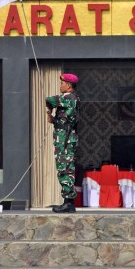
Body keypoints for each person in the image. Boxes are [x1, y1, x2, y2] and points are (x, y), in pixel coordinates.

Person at [46, 73, 80, 213]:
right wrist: (53, 119)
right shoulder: (69, 100)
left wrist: (49, 108)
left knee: (65, 169)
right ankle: (68, 202)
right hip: (64, 137)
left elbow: (49, 100)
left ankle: (68, 202)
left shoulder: (68, 97)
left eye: (62, 83)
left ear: (69, 85)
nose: (60, 86)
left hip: (65, 140)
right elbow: (64, 119)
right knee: (64, 168)